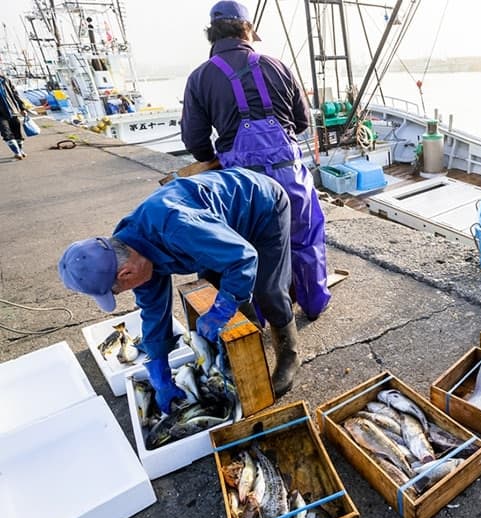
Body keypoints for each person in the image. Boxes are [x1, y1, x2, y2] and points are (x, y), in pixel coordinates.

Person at [58, 168, 303, 412]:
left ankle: (289, 356)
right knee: (217, 284)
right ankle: (247, 341)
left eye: (117, 291)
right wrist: (158, 366)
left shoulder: (176, 227)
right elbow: (154, 310)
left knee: (268, 291)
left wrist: (223, 309)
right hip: (214, 226)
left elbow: (243, 258)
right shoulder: (129, 253)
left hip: (261, 206)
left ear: (126, 274)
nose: (121, 294)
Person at [180, 0, 331, 321]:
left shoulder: (199, 78)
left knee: (253, 250)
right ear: (247, 29)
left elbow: (195, 141)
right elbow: (302, 122)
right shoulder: (278, 66)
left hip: (242, 186)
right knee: (305, 238)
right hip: (290, 173)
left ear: (212, 34)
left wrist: (215, 157)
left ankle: (262, 320)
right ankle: (314, 303)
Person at [0, 72, 27, 160]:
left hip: (12, 110)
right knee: (6, 133)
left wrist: (22, 108)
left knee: (17, 132)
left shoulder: (5, 80)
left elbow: (15, 95)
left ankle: (20, 150)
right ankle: (17, 152)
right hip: (0, 115)